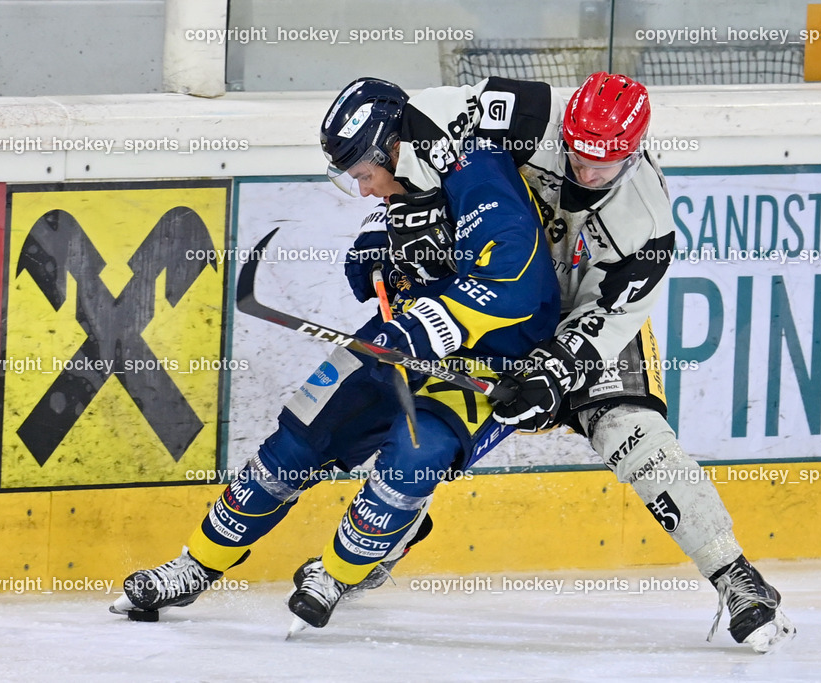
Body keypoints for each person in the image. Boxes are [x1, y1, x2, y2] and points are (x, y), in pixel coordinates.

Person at [110, 77, 561, 630]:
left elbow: (516, 279)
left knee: (414, 457)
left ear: (391, 148)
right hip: (408, 329)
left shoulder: (475, 167)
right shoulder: (410, 155)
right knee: (301, 434)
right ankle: (195, 566)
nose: (365, 189)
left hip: (495, 357)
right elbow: (407, 209)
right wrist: (380, 246)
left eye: (365, 176)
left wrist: (432, 323)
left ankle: (339, 572)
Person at [374, 72, 796, 654]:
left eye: (604, 164)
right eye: (577, 153)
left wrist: (555, 367)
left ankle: (737, 578)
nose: (585, 172)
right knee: (435, 427)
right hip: (501, 295)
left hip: (586, 321)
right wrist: (413, 204)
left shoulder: (648, 225)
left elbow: (611, 318)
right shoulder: (531, 111)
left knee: (637, 438)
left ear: (636, 150)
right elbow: (427, 109)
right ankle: (383, 541)